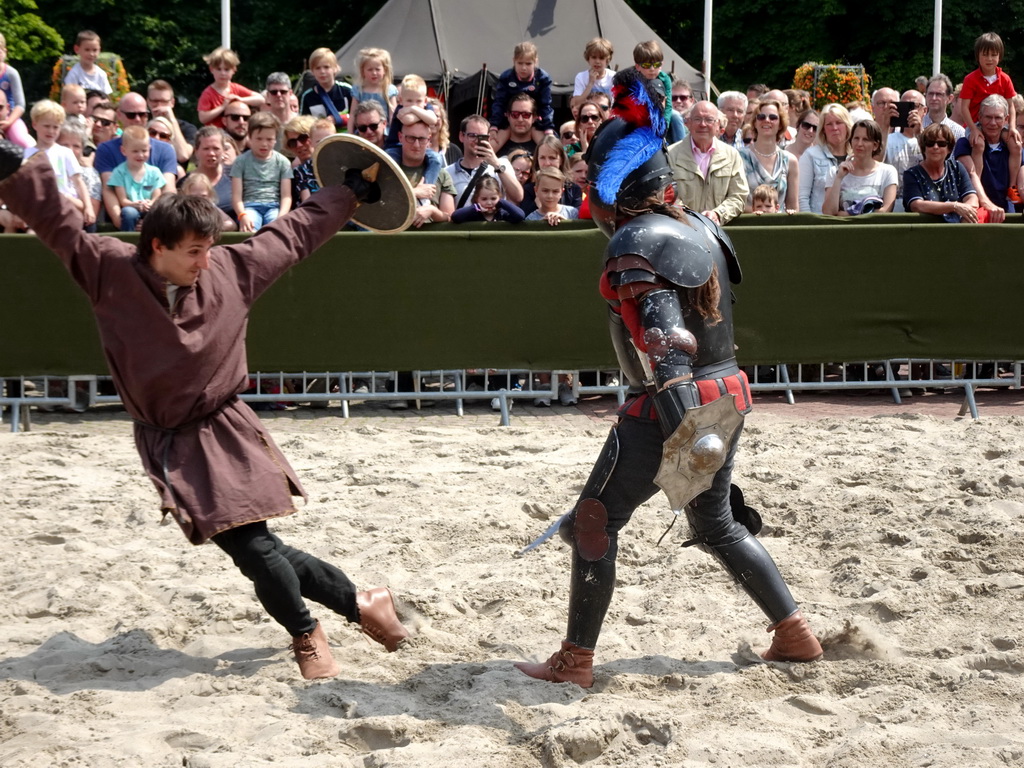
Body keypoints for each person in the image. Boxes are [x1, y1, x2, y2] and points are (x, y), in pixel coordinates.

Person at [0, 134, 412, 680]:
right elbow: (57, 221)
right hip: (165, 439)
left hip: (222, 431)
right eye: (194, 250)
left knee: (252, 546)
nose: (205, 260)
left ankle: (305, 631)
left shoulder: (230, 271)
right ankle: (361, 602)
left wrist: (349, 193)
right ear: (157, 247)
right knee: (260, 545)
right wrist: (9, 167)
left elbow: (292, 233)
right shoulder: (107, 269)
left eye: (209, 247)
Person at [513, 86, 822, 690]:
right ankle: (793, 630)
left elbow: (667, 339)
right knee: (716, 524)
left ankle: (575, 661)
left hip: (669, 406)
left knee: (593, 521)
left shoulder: (636, 242)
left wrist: (681, 428)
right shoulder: (700, 225)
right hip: (727, 395)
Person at [667, 100, 748, 224]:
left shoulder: (732, 155)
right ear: (688, 123)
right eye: (697, 119)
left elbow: (739, 196)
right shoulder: (670, 155)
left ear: (718, 125)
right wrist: (691, 217)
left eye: (709, 120)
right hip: (681, 230)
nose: (703, 124)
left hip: (719, 233)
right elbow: (665, 196)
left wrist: (718, 214)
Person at [24, 100, 94, 229]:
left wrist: (88, 207)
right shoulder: (27, 154)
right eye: (46, 126)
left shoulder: (65, 152)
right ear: (35, 124)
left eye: (55, 127)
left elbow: (78, 182)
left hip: (65, 205)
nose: (51, 131)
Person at [953, 94, 1019, 222]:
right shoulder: (965, 144)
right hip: (978, 207)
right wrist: (988, 205)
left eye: (998, 118)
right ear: (979, 117)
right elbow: (970, 176)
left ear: (1006, 119)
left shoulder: (1013, 148)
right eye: (988, 117)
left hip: (1008, 208)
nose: (993, 123)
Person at [903, 122, 980, 222]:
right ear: (923, 147)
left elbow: (972, 198)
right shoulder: (912, 174)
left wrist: (965, 212)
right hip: (924, 232)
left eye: (941, 144)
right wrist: (954, 206)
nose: (935, 147)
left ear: (949, 148)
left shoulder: (956, 167)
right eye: (930, 143)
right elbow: (916, 205)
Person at [231, 112, 292, 232]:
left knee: (276, 230)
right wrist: (242, 215)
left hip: (273, 206)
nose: (264, 144)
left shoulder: (283, 162)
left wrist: (282, 217)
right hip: (249, 206)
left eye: (269, 139)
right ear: (250, 137)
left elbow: (286, 196)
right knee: (250, 228)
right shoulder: (240, 162)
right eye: (259, 139)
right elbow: (236, 196)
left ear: (276, 140)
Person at [822, 119, 897, 216]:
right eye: (856, 138)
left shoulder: (887, 172)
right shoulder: (835, 172)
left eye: (865, 139)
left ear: (875, 145)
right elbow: (829, 213)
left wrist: (845, 214)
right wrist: (839, 178)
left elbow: (885, 212)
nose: (859, 144)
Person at [445, 113, 523, 206]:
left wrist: (496, 165)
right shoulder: (447, 172)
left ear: (488, 138)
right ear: (462, 136)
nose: (477, 140)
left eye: (482, 137)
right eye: (472, 135)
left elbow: (518, 197)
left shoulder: (502, 164)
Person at [490, 42, 554, 152]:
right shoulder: (506, 77)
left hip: (534, 121)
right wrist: (494, 126)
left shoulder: (543, 78)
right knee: (491, 146)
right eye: (520, 63)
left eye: (528, 64)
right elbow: (499, 102)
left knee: (550, 149)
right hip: (509, 120)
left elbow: (546, 105)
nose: (523, 68)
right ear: (513, 61)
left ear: (536, 62)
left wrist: (548, 129)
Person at [739, 99, 799, 212]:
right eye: (761, 117)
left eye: (773, 117)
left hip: (779, 226)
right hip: (747, 225)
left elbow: (793, 207)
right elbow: (734, 201)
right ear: (755, 123)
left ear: (781, 124)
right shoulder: (739, 157)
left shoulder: (790, 161)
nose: (767, 120)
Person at [959, 32, 1016, 146]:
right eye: (985, 54)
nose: (989, 59)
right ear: (977, 56)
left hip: (999, 125)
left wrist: (1012, 127)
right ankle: (977, 165)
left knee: (1015, 145)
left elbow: (1011, 106)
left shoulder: (1005, 79)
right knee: (978, 144)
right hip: (976, 124)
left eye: (994, 55)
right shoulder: (970, 79)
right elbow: (964, 108)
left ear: (999, 56)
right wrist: (973, 129)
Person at [107, 125, 166, 231]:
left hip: (149, 207)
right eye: (135, 151)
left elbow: (157, 194)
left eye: (144, 151)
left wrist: (151, 203)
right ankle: (128, 240)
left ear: (149, 149)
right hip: (131, 207)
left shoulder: (154, 172)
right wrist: (136, 205)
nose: (140, 155)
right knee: (128, 213)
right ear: (124, 151)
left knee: (161, 212)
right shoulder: (119, 172)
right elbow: (123, 200)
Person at [798, 103, 852, 213]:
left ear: (847, 125)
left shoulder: (856, 156)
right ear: (823, 129)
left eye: (838, 122)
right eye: (829, 124)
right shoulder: (811, 155)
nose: (834, 128)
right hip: (819, 223)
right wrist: (811, 224)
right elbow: (802, 198)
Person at [197, 47, 264, 128]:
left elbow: (261, 99)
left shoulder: (236, 88)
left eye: (226, 69)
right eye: (219, 69)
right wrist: (222, 107)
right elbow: (202, 118)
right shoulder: (208, 93)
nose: (222, 73)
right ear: (211, 69)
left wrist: (241, 99)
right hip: (217, 134)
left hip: (236, 132)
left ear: (234, 70)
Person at [633, 41, 684, 144]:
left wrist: (665, 124)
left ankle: (681, 147)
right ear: (638, 66)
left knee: (676, 116)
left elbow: (668, 104)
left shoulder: (664, 79)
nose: (652, 69)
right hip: (640, 111)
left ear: (662, 65)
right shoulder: (633, 80)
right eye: (647, 65)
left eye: (656, 65)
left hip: (661, 110)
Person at [519, 135, 581, 215]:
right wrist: (537, 204)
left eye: (552, 158)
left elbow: (577, 219)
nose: (547, 163)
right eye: (542, 158)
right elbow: (525, 220)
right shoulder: (528, 190)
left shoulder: (574, 190)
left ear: (561, 160)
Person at [57, 120, 102, 228]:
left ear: (82, 149)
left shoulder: (89, 174)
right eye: (65, 145)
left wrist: (64, 197)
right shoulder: (48, 168)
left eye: (76, 146)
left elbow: (92, 213)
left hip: (80, 225)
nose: (70, 150)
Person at [191, 126, 236, 226]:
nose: (211, 153)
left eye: (216, 148)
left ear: (224, 151)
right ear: (196, 151)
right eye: (206, 149)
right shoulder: (186, 182)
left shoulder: (236, 176)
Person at [299, 48, 353, 131]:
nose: (322, 71)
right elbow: (304, 124)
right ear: (312, 71)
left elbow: (359, 117)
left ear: (335, 68)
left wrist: (340, 119)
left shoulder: (346, 90)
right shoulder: (307, 97)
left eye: (326, 67)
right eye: (318, 68)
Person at [148, 79, 198, 166]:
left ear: (172, 103)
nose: (159, 106)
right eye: (155, 101)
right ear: (148, 102)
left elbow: (183, 156)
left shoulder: (188, 129)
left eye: (164, 102)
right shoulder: (143, 128)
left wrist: (172, 119)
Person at [0, 33, 35, 148]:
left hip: (10, 118)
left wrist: (9, 122)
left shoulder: (11, 73)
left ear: (4, 52)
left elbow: (20, 104)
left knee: (23, 142)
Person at [350, 47, 398, 127]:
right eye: (370, 70)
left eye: (377, 69)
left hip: (384, 131)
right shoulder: (358, 90)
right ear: (363, 71)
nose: (374, 73)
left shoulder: (389, 90)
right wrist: (350, 134)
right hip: (363, 129)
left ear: (384, 70)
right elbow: (352, 115)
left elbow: (393, 115)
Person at [450, 176, 525, 223]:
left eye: (493, 198)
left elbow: (520, 215)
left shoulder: (502, 214)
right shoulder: (473, 214)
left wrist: (501, 202)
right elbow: (455, 217)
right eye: (484, 199)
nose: (489, 203)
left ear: (499, 197)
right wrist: (476, 208)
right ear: (476, 198)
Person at [571, 37, 616, 111]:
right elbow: (577, 103)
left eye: (601, 58)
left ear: (607, 60)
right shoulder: (581, 77)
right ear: (588, 59)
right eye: (594, 57)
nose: (597, 61)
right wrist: (590, 83)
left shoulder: (613, 77)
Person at [64, 30, 112, 97]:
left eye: (95, 50)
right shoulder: (74, 74)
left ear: (99, 50)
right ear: (77, 49)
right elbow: (70, 97)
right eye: (87, 50)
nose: (91, 54)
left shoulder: (101, 74)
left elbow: (106, 98)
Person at [923, 74, 965, 140]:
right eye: (930, 93)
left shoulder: (959, 133)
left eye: (939, 94)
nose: (934, 98)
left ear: (950, 99)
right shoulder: (915, 127)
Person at [496, 93, 539, 158]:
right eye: (515, 114)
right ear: (508, 116)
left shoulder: (541, 149)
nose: (520, 119)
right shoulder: (495, 146)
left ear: (534, 118)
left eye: (526, 115)